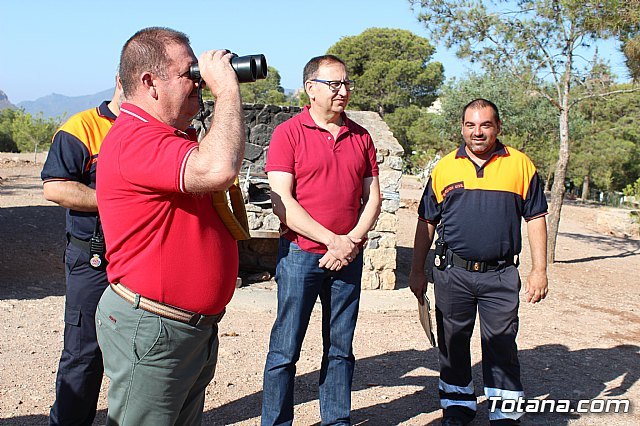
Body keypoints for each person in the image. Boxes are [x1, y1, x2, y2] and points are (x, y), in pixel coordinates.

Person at [94, 27, 246, 425]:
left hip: (183, 328)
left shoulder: (169, 135)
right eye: (189, 73)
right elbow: (219, 168)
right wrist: (227, 91)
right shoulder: (136, 138)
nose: (199, 81)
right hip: (155, 328)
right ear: (150, 83)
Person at [409, 99, 549, 426]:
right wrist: (416, 270)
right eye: (470, 125)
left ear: (498, 127)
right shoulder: (445, 167)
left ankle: (505, 413)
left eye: (485, 125)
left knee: (501, 345)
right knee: (452, 344)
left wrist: (539, 270)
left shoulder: (521, 165)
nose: (478, 132)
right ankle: (458, 408)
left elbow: (536, 218)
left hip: (500, 275)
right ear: (461, 128)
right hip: (452, 274)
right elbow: (426, 221)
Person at [261, 54, 381, 426]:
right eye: (334, 84)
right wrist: (334, 241)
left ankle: (336, 420)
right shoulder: (288, 133)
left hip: (348, 259)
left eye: (346, 84)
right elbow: (282, 202)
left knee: (341, 350)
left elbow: (373, 198)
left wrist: (351, 243)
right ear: (310, 89)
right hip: (301, 255)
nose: (343, 91)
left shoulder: (361, 136)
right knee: (285, 350)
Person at [41, 79, 123, 426]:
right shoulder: (82, 127)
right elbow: (55, 188)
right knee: (84, 355)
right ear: (122, 79)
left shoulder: (159, 129)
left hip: (142, 261)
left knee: (139, 355)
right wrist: (119, 203)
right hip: (93, 261)